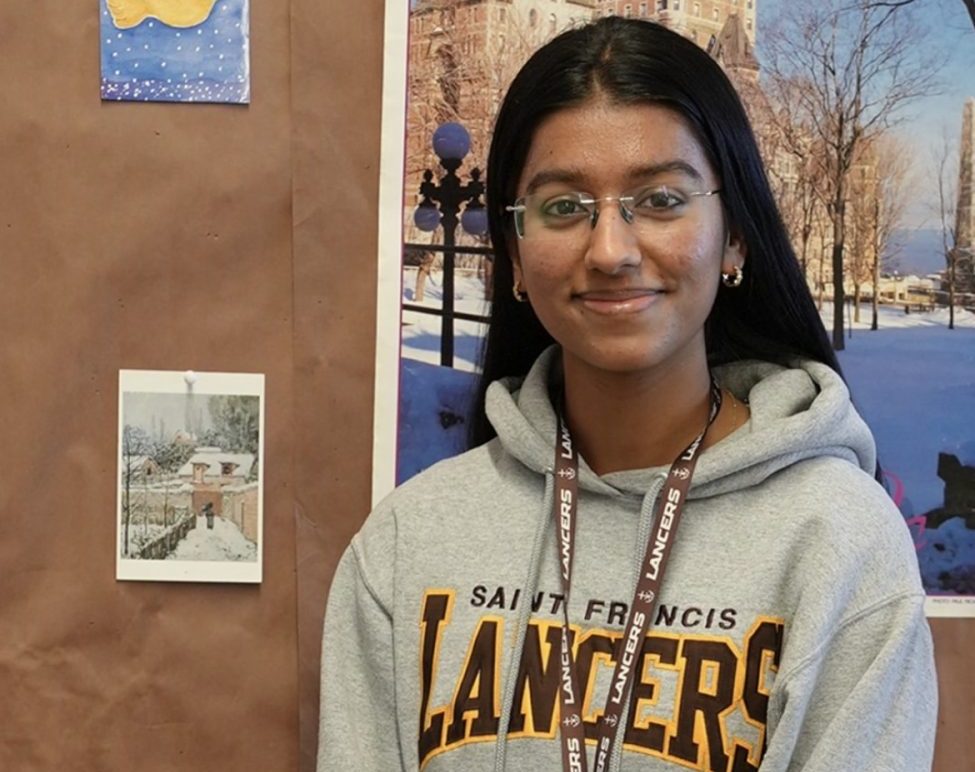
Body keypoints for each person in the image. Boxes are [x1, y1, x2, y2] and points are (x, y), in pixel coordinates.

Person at [318, 17, 937, 772]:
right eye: (561, 207)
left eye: (661, 200)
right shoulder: (408, 541)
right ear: (513, 252)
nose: (610, 250)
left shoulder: (837, 542)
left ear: (734, 235)